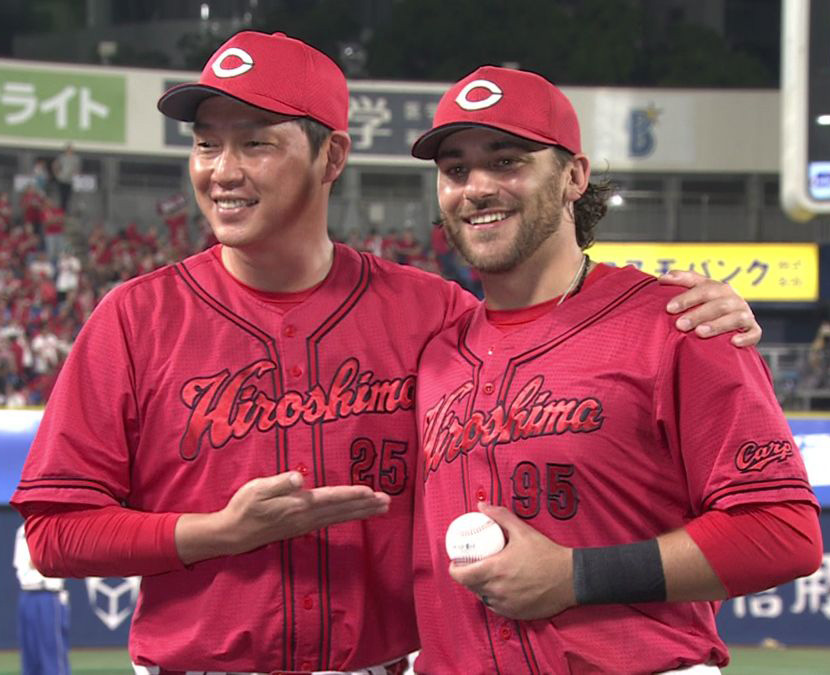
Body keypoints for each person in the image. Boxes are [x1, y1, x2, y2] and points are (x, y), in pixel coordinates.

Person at [12, 32, 763, 674]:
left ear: (331, 156)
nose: (222, 169)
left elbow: (556, 323)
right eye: (207, 143)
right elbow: (53, 533)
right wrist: (216, 533)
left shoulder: (434, 315)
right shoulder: (133, 319)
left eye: (256, 142)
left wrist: (696, 315)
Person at [409, 65, 823, 674]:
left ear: (574, 176)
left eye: (506, 161)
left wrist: (575, 575)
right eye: (455, 170)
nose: (477, 187)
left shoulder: (679, 324)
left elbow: (782, 532)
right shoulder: (435, 351)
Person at [13, 524, 71, 675]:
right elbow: (21, 564)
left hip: (49, 594)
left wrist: (37, 559)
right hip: (27, 593)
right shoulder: (22, 530)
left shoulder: (55, 525)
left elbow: (42, 559)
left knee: (52, 653)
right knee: (30, 652)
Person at [51, 144, 80, 213]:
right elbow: (55, 165)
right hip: (61, 179)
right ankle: (61, 211)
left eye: (71, 150)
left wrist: (74, 174)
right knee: (62, 196)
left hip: (69, 180)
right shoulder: (61, 157)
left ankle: (66, 211)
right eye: (68, 149)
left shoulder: (75, 158)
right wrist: (56, 174)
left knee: (68, 197)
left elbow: (77, 168)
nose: (70, 151)